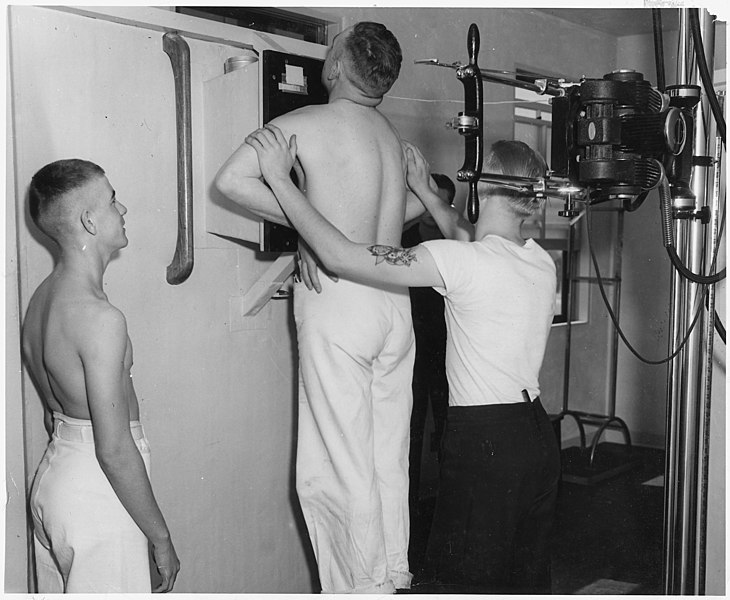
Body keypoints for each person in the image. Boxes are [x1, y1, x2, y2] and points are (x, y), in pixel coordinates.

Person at [243, 125, 562, 594]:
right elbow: (471, 236)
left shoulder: (459, 261)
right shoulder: (537, 260)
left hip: (486, 445)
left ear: (485, 188)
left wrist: (282, 181)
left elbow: (340, 255)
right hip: (535, 436)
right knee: (522, 582)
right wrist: (427, 193)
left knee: (462, 585)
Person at [215, 22, 418, 594]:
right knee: (385, 456)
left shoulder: (303, 124)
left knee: (335, 465)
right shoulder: (389, 135)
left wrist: (312, 228)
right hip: (393, 305)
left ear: (333, 69)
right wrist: (320, 232)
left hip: (340, 301)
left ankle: (360, 587)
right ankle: (390, 573)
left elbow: (231, 181)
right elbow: (394, 220)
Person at [22, 159, 180, 593]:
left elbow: (54, 418)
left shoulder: (41, 301)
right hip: (99, 497)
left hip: (56, 483)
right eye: (113, 199)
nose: (123, 208)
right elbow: (112, 449)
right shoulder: (100, 318)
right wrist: (161, 538)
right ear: (89, 221)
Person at [401, 174, 453, 513]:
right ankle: (408, 512)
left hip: (448, 354)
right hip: (409, 354)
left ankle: (450, 510)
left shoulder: (457, 246)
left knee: (450, 433)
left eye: (442, 203)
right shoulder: (400, 240)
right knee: (410, 432)